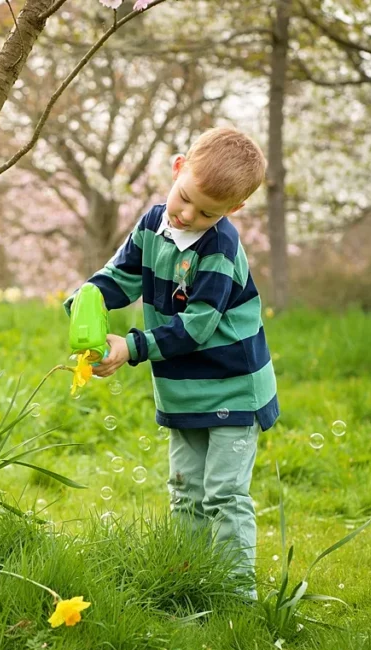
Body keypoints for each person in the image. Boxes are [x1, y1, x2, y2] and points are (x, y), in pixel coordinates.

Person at [67, 127, 279, 599]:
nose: (188, 215)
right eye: (185, 199)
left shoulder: (220, 248)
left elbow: (198, 325)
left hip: (233, 387)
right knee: (185, 488)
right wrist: (87, 301)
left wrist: (131, 347)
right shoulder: (152, 225)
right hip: (183, 387)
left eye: (207, 212)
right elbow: (119, 279)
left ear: (232, 211)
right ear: (178, 167)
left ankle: (234, 594)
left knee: (223, 492)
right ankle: (187, 581)